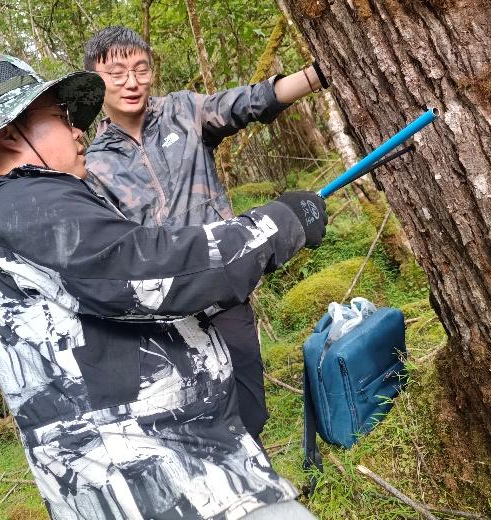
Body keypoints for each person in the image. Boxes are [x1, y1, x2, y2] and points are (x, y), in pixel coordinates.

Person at [0, 52, 327, 519]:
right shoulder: (28, 207)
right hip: (174, 483)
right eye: (61, 117)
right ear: (10, 132)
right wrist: (281, 223)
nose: (79, 132)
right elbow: (158, 271)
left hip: (120, 488)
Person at [83, 26, 330, 446]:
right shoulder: (95, 162)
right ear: (95, 81)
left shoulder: (183, 111)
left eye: (141, 69)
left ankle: (258, 483)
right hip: (165, 310)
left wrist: (317, 75)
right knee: (196, 415)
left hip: (224, 284)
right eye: (117, 73)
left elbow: (249, 102)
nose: (132, 82)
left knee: (250, 407)